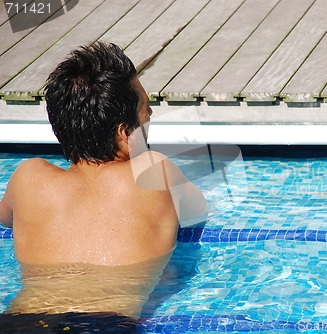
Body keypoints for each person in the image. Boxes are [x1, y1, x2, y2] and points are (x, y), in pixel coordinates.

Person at [0, 41, 207, 328]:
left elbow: (6, 220)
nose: (150, 119)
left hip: (21, 323)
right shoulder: (154, 171)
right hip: (105, 324)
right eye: (146, 112)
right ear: (124, 134)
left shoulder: (27, 177)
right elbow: (197, 211)